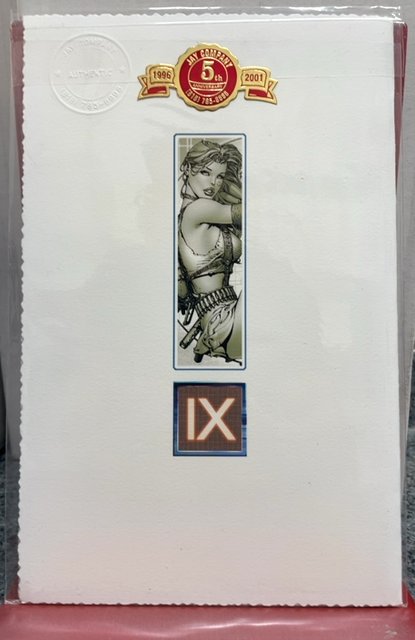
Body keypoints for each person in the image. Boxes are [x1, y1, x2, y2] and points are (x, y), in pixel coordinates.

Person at [177, 138, 243, 364]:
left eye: (220, 176)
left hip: (220, 320)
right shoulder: (197, 209)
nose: (213, 183)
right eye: (206, 172)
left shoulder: (192, 214)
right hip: (223, 321)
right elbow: (253, 211)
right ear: (187, 168)